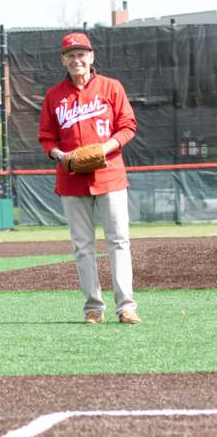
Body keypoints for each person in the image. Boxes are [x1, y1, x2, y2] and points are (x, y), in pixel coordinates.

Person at [38, 32, 142, 325]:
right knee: (83, 245)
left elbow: (127, 125)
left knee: (119, 241)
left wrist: (104, 148)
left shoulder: (111, 88)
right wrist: (62, 156)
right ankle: (93, 307)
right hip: (71, 178)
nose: (76, 59)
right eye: (70, 55)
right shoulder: (54, 96)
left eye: (81, 54)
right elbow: (46, 138)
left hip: (109, 175)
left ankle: (126, 307)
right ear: (63, 60)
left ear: (91, 57)